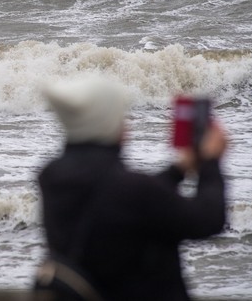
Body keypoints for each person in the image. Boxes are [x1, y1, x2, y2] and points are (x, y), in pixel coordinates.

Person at [34, 76, 227, 301]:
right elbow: (206, 220)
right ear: (106, 124)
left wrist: (178, 171)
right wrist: (211, 164)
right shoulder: (133, 191)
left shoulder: (52, 177)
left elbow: (122, 201)